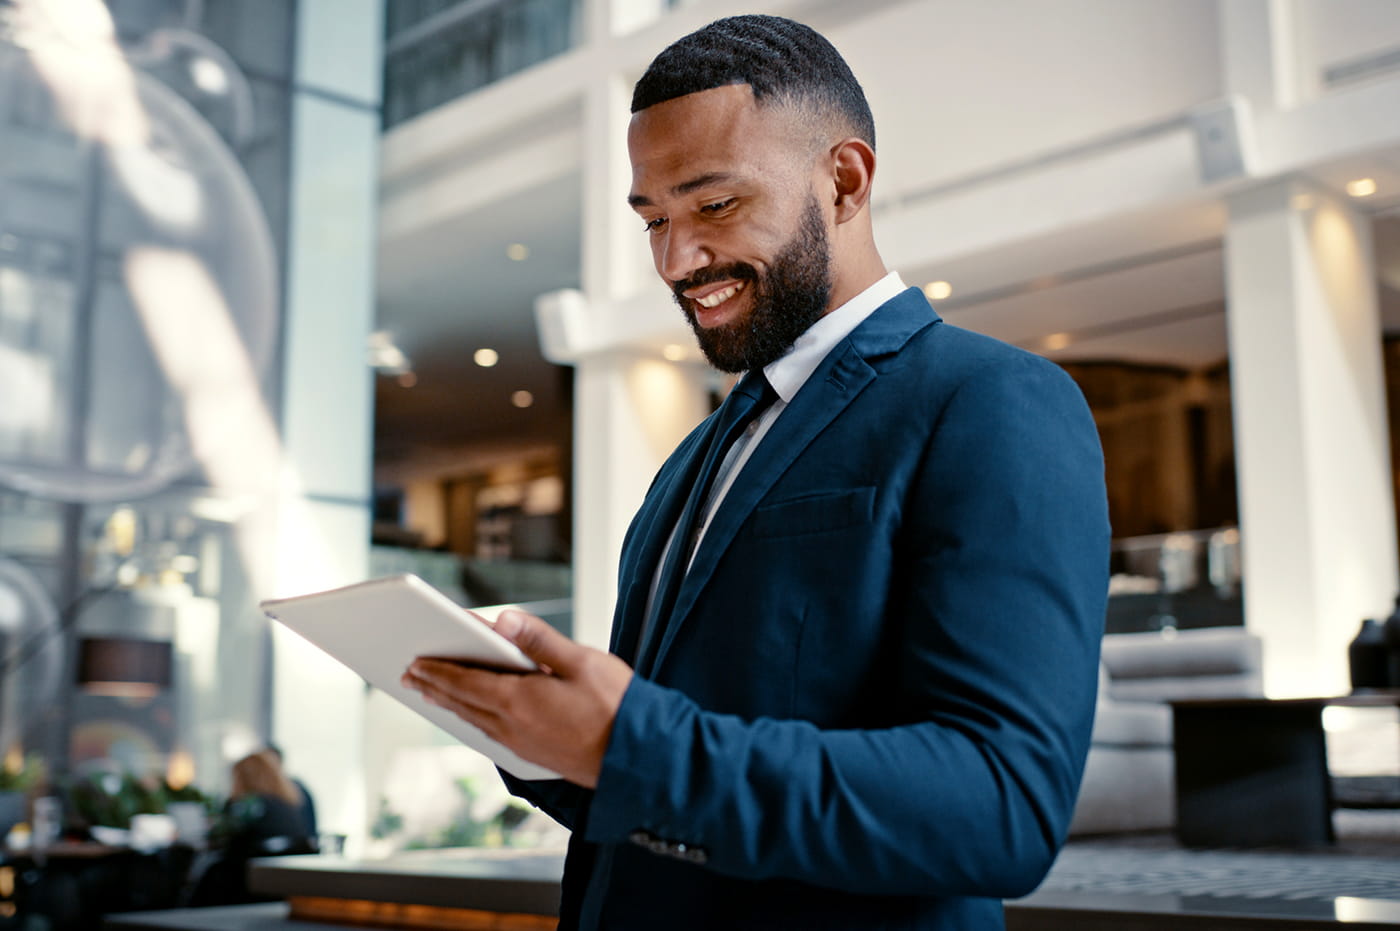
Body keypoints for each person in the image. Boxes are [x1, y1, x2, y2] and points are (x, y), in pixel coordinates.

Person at [402, 14, 1109, 929]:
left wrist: (630, 744)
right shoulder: (693, 459)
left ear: (845, 181)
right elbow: (655, 796)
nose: (675, 259)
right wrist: (531, 730)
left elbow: (1000, 807)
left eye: (715, 206)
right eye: (654, 219)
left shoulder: (991, 401)